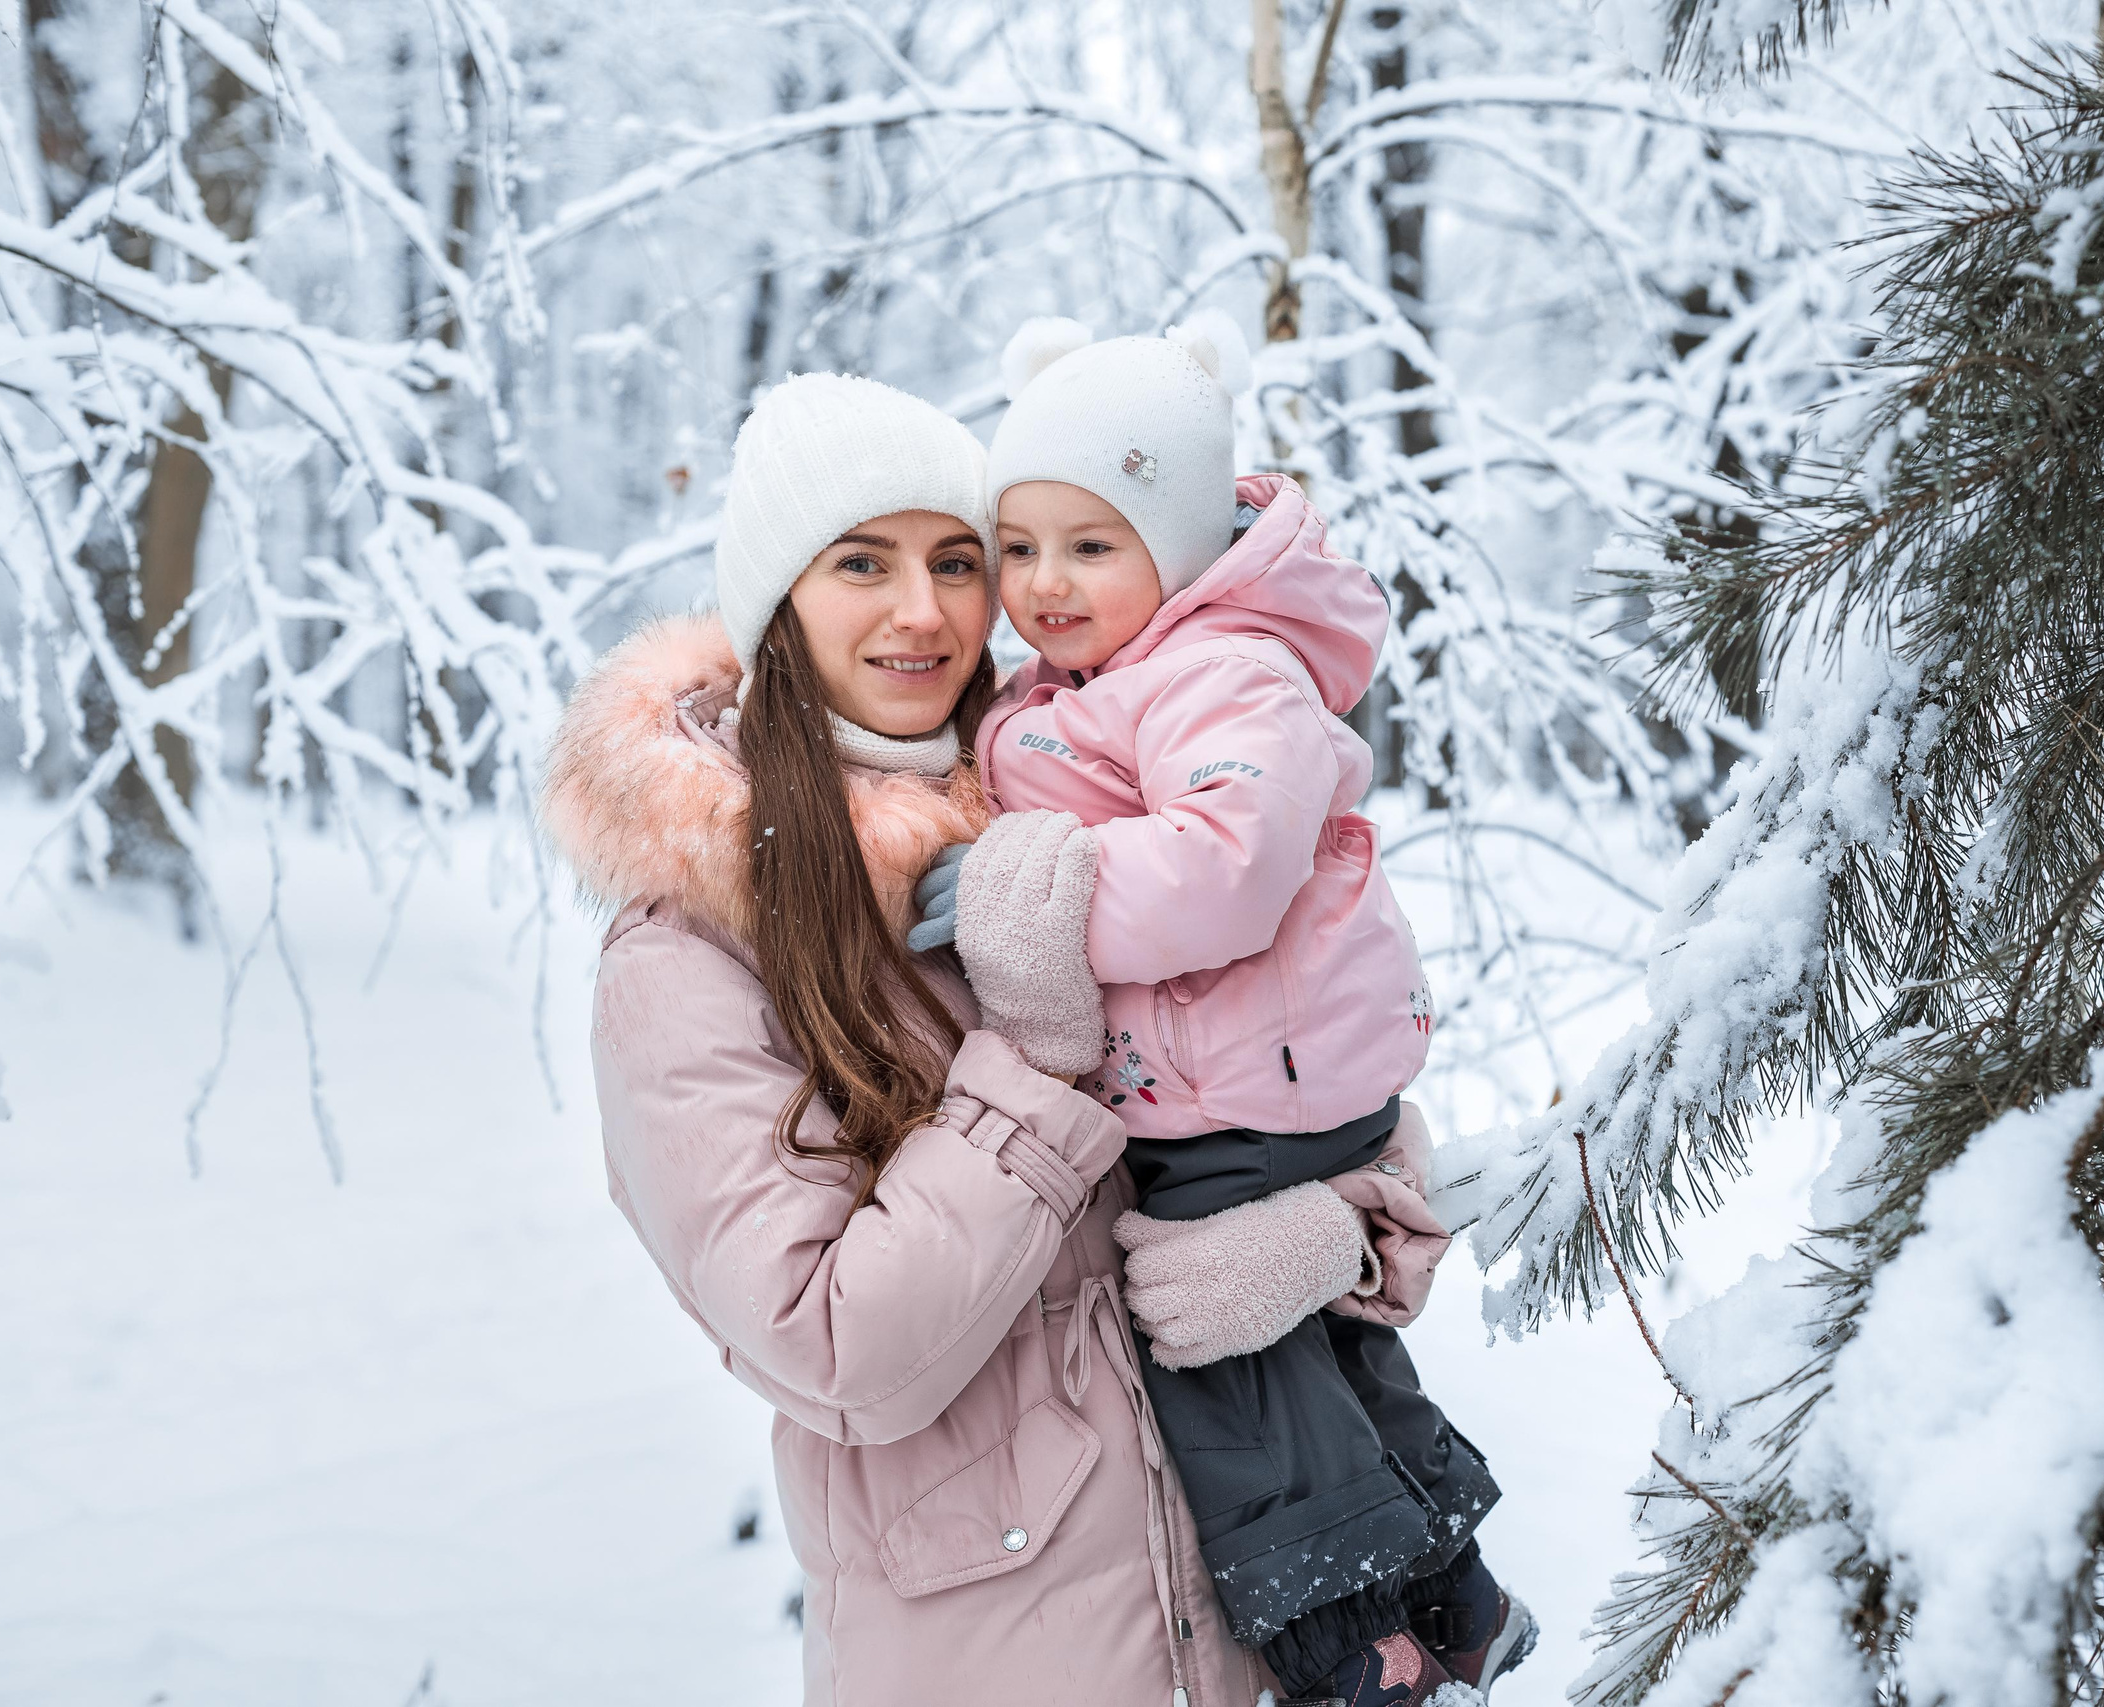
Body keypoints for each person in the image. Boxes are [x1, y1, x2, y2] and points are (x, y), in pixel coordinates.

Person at [539, 371, 1412, 1707]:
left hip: (1256, 1644)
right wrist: (1037, 1057)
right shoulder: (687, 958)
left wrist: (1332, 1233)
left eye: (958, 559)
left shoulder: (1064, 827)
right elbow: (837, 1354)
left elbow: (1308, 1075)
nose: (923, 609)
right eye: (860, 564)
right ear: (777, 603)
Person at [906, 317, 1534, 1707]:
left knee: (1213, 1348)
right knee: (1324, 1354)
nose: (1045, 584)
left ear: (1178, 544)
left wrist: (1034, 894)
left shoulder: (1218, 670)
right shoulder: (1100, 680)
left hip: (1255, 1094)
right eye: (1021, 546)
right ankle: (1457, 1596)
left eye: (1092, 543)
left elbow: (1228, 870)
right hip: (1248, 1079)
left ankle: (1346, 1650)